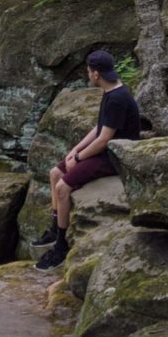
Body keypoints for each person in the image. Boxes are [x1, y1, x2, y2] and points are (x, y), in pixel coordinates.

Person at [33, 49, 140, 271]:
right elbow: (99, 128)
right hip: (103, 149)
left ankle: (61, 247)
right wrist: (75, 149)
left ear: (96, 74)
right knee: (55, 173)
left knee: (63, 187)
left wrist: (79, 157)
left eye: (89, 71)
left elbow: (104, 140)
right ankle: (55, 228)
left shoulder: (118, 99)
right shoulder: (110, 91)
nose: (87, 74)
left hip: (114, 156)